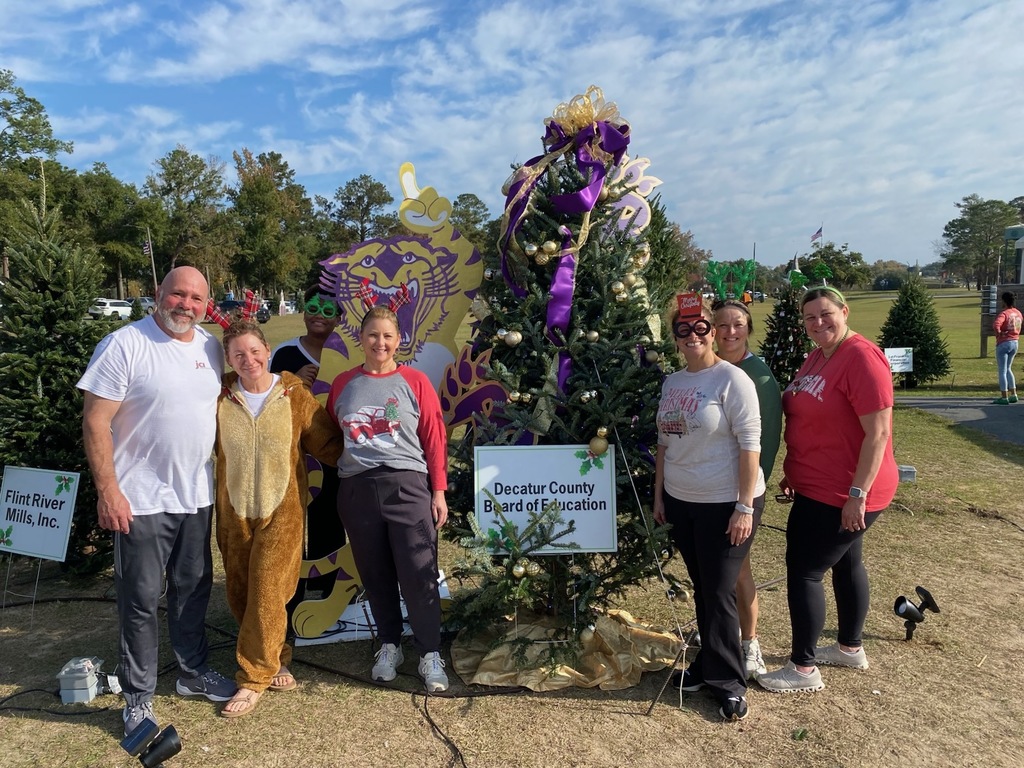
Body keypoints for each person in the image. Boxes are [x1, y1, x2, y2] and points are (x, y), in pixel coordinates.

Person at [78, 266, 236, 738]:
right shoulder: (125, 344)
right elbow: (94, 422)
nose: (185, 305)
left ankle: (191, 673)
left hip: (195, 495)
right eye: (177, 294)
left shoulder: (210, 347)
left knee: (193, 588)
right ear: (158, 294)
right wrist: (109, 490)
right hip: (140, 499)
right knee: (142, 600)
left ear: (207, 305)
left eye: (196, 298)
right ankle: (138, 699)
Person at [756, 286, 898, 694]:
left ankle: (802, 669)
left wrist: (858, 494)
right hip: (817, 482)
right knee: (848, 562)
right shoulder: (819, 355)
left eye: (825, 314)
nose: (818, 323)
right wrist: (795, 470)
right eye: (810, 318)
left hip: (841, 490)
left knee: (805, 571)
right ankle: (850, 647)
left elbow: (879, 433)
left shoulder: (862, 357)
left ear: (844, 311)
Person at [215, 320, 344, 717]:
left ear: (267, 350)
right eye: (239, 354)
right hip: (233, 513)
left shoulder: (293, 395)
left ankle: (253, 677)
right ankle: (278, 655)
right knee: (241, 591)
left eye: (254, 351)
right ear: (229, 359)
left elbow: (328, 443)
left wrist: (377, 454)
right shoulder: (218, 395)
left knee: (269, 589)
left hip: (282, 512)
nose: (248, 360)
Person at [326, 304, 450, 692]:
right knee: (376, 574)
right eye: (373, 335)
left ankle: (430, 652)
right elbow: (334, 432)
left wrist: (439, 491)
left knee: (419, 573)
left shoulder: (414, 381)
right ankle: (390, 644)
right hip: (358, 490)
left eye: (388, 336)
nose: (380, 342)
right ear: (360, 339)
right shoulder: (343, 384)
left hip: (407, 486)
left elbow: (434, 436)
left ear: (399, 341)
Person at [653, 294, 765, 722]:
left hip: (726, 503)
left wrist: (743, 506)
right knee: (704, 587)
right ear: (676, 336)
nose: (694, 335)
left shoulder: (732, 381)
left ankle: (729, 682)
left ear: (713, 331)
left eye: (702, 327)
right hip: (683, 501)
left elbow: (750, 445)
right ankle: (706, 666)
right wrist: (660, 495)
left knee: (719, 592)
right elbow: (665, 444)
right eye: (684, 329)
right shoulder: (673, 383)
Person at [713, 298, 782, 679]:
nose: (730, 332)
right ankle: (722, 636)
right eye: (721, 325)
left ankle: (749, 642)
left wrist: (750, 495)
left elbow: (766, 440)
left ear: (748, 328)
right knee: (721, 571)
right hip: (708, 491)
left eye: (737, 324)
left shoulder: (758, 375)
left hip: (742, 495)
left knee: (739, 570)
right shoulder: (710, 369)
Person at [269, 286, 347, 603]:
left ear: (339, 319)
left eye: (329, 310)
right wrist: (293, 381)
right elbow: (269, 401)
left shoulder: (346, 354)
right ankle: (294, 590)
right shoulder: (286, 353)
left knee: (331, 514)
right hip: (297, 451)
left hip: (336, 447)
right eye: (313, 306)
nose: (319, 314)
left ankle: (330, 587)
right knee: (293, 520)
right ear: (303, 311)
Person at [992, 291, 1021, 405]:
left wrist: (999, 333)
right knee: (1009, 368)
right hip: (1015, 342)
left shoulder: (1004, 313)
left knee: (1002, 371)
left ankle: (1004, 397)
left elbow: (996, 325)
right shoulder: (1018, 313)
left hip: (1004, 343)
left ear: (1004, 301)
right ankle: (1014, 394)